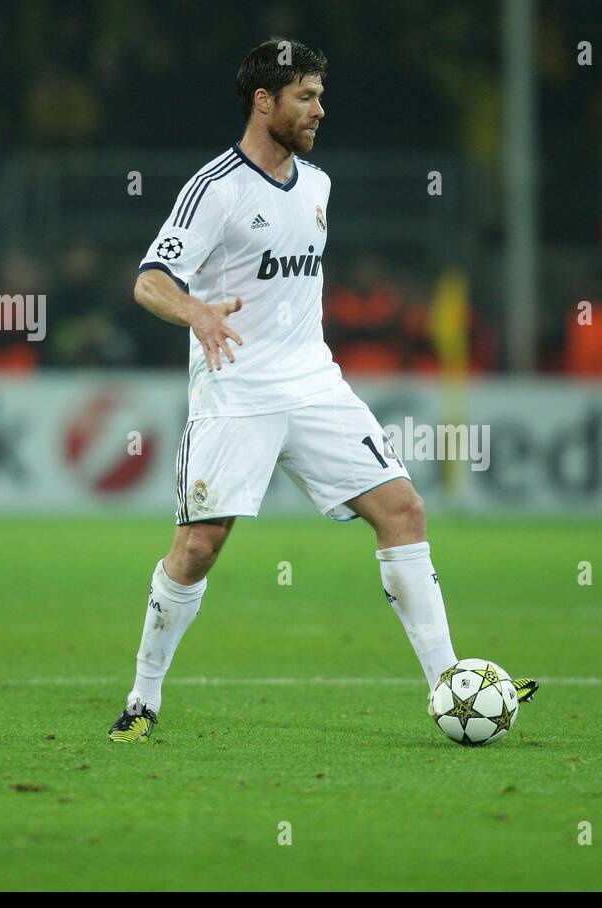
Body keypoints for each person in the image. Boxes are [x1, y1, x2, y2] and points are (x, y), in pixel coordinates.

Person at [109, 38, 536, 743]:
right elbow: (150, 280)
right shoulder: (215, 189)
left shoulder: (317, 186)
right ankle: (143, 697)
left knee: (402, 508)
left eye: (320, 95)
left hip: (314, 384)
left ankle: (451, 686)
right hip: (236, 392)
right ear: (263, 101)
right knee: (199, 548)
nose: (319, 109)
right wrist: (196, 312)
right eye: (305, 96)